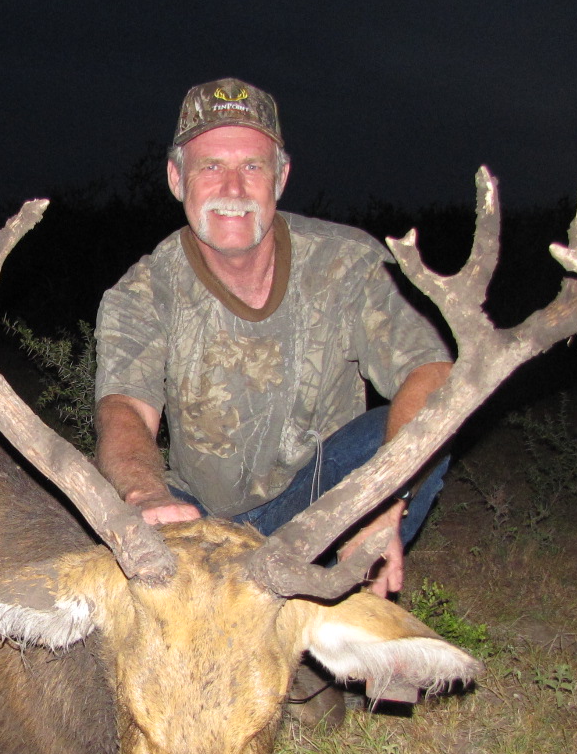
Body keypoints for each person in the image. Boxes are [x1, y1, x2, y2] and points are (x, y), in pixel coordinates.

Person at [94, 78, 453, 598]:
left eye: (253, 166)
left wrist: (381, 498)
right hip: (201, 524)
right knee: (103, 500)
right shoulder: (144, 291)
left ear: (281, 177)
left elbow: (432, 373)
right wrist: (147, 496)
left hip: (322, 510)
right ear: (177, 178)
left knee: (418, 430)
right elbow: (124, 411)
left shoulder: (349, 262)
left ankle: (346, 600)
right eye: (211, 166)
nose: (233, 190)